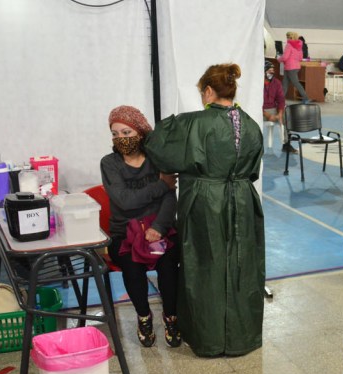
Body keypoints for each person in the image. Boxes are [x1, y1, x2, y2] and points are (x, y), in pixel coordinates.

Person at [145, 63, 265, 357]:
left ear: (209, 91)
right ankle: (241, 336)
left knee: (204, 266)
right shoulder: (251, 125)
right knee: (242, 266)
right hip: (243, 201)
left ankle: (208, 337)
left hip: (205, 203)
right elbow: (253, 171)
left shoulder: (192, 124)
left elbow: (158, 147)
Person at [102, 105, 180, 348]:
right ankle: (144, 317)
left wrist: (158, 227)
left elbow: (170, 199)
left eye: (126, 133)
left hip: (159, 231)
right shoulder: (110, 163)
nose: (121, 139)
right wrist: (161, 185)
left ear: (141, 132)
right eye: (115, 134)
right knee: (132, 266)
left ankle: (171, 317)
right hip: (124, 234)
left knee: (169, 264)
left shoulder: (158, 159)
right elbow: (125, 201)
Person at [262, 60, 287, 152]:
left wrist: (280, 113)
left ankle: (286, 144)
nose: (271, 73)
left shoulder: (277, 83)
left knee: (286, 117)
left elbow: (281, 99)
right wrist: (267, 115)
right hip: (261, 110)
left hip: (273, 109)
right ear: (263, 71)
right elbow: (254, 102)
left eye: (273, 71)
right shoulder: (257, 83)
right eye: (269, 71)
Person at [280, 31, 311, 104]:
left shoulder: (289, 45)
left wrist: (279, 59)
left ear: (291, 37)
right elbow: (300, 58)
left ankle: (306, 98)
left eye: (288, 37)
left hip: (290, 67)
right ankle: (280, 100)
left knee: (295, 83)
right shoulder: (299, 46)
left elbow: (285, 57)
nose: (287, 38)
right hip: (295, 67)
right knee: (285, 84)